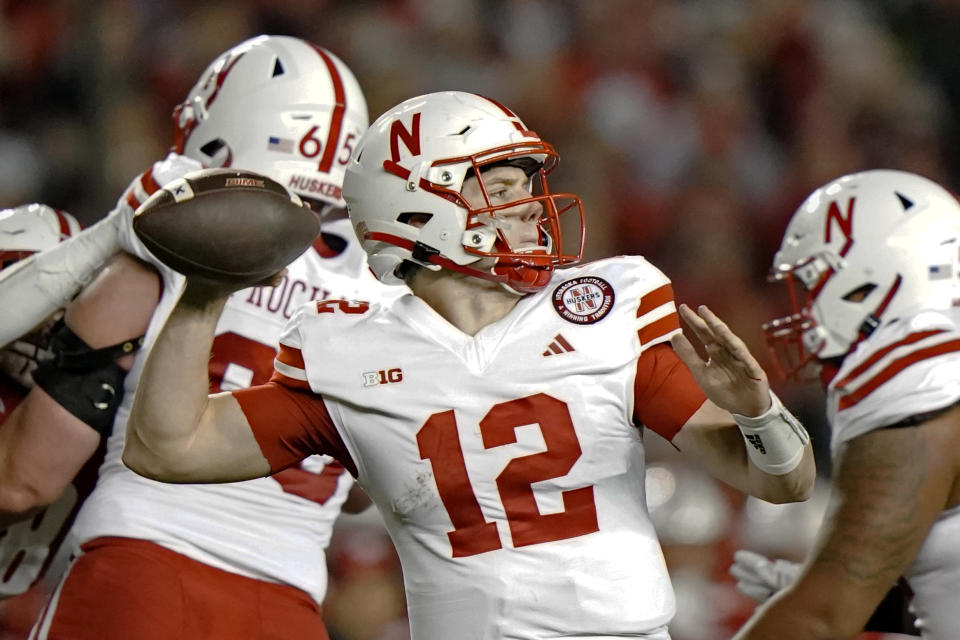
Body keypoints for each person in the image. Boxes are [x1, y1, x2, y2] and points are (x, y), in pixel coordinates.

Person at [123, 90, 815, 639]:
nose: (533, 210)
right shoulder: (347, 355)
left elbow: (783, 482)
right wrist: (202, 294)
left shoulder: (599, 312)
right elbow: (168, 449)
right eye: (506, 187)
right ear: (423, 207)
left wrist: (757, 408)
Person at [0, 35, 398, 640]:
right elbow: (364, 492)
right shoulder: (379, 293)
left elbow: (27, 478)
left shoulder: (161, 246)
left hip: (143, 576)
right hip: (288, 611)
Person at [728, 169, 960, 639]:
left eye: (815, 285)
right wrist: (882, 603)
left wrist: (831, 589)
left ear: (874, 278)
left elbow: (822, 617)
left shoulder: (917, 373)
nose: (806, 311)